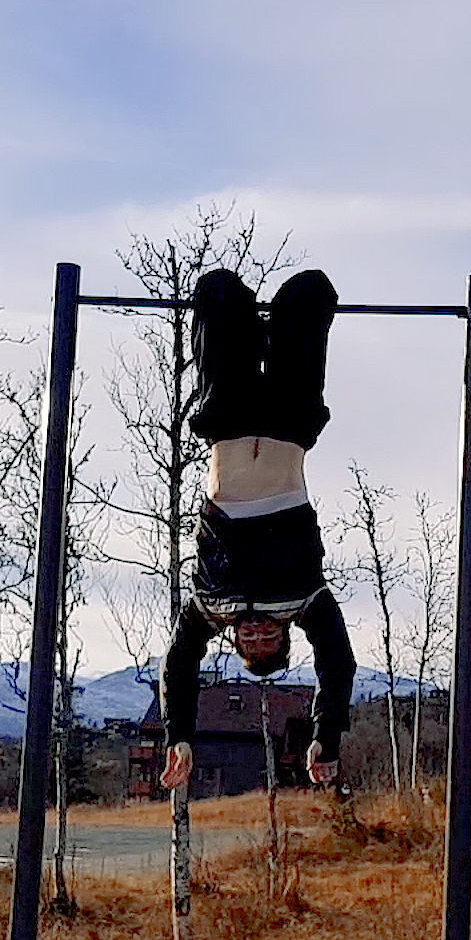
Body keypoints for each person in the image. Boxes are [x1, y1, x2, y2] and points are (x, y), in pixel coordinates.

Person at [159, 267, 355, 792]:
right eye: (271, 639)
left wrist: (179, 734)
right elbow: (337, 664)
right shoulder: (304, 602)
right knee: (308, 290)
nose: (259, 634)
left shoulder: (209, 605)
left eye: (254, 643)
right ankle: (286, 315)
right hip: (290, 423)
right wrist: (326, 738)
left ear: (238, 643)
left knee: (219, 291)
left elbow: (179, 665)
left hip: (227, 419)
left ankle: (238, 313)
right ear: (285, 634)